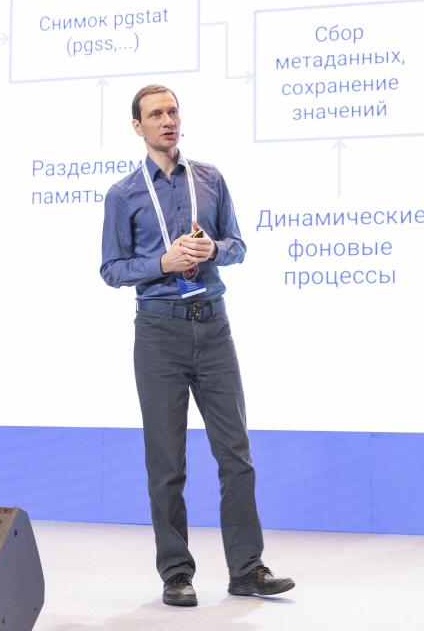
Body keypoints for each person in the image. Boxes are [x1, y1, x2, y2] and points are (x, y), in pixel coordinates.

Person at [100, 84, 295, 607]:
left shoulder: (210, 179)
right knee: (167, 463)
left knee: (236, 454)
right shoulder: (123, 194)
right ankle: (176, 573)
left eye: (172, 111)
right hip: (158, 331)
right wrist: (161, 263)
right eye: (155, 114)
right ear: (138, 127)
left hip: (213, 326)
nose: (167, 120)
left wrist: (214, 250)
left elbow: (238, 245)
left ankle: (247, 569)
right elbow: (111, 269)